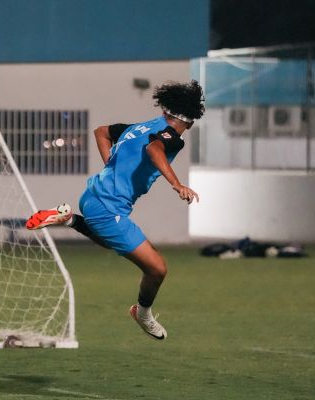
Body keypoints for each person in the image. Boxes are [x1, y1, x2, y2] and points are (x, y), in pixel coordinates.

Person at [26, 80, 205, 340]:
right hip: (108, 208)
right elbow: (154, 149)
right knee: (157, 269)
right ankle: (143, 313)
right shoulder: (172, 138)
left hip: (91, 197)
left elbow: (101, 131)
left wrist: (111, 163)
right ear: (189, 120)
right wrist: (177, 185)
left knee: (110, 240)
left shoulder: (138, 127)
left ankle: (69, 219)